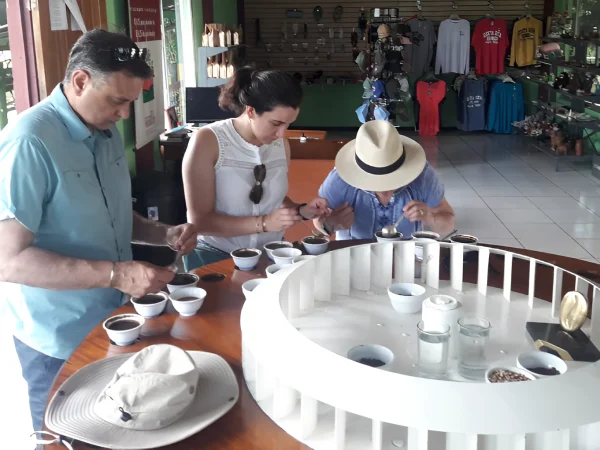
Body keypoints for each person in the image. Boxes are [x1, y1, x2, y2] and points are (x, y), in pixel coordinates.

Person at [0, 30, 197, 434]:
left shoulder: (104, 133)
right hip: (56, 336)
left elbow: (112, 214)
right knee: (64, 438)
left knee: (115, 427)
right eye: (117, 101)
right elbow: (8, 260)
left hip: (115, 317)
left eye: (130, 101)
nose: (124, 114)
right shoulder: (29, 141)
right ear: (80, 81)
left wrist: (162, 233)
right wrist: (117, 273)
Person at [182, 67, 327, 270]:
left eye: (289, 124)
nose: (281, 134)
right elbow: (200, 221)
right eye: (276, 123)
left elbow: (272, 199)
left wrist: (301, 210)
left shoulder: (280, 145)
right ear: (250, 111)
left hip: (271, 255)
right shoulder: (208, 141)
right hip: (215, 256)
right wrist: (264, 223)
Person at [314, 120, 454, 239]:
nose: (384, 191)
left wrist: (429, 216)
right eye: (374, 181)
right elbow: (317, 221)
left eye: (392, 180)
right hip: (352, 258)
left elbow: (448, 225)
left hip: (405, 258)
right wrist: (329, 225)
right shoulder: (340, 179)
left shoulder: (422, 175)